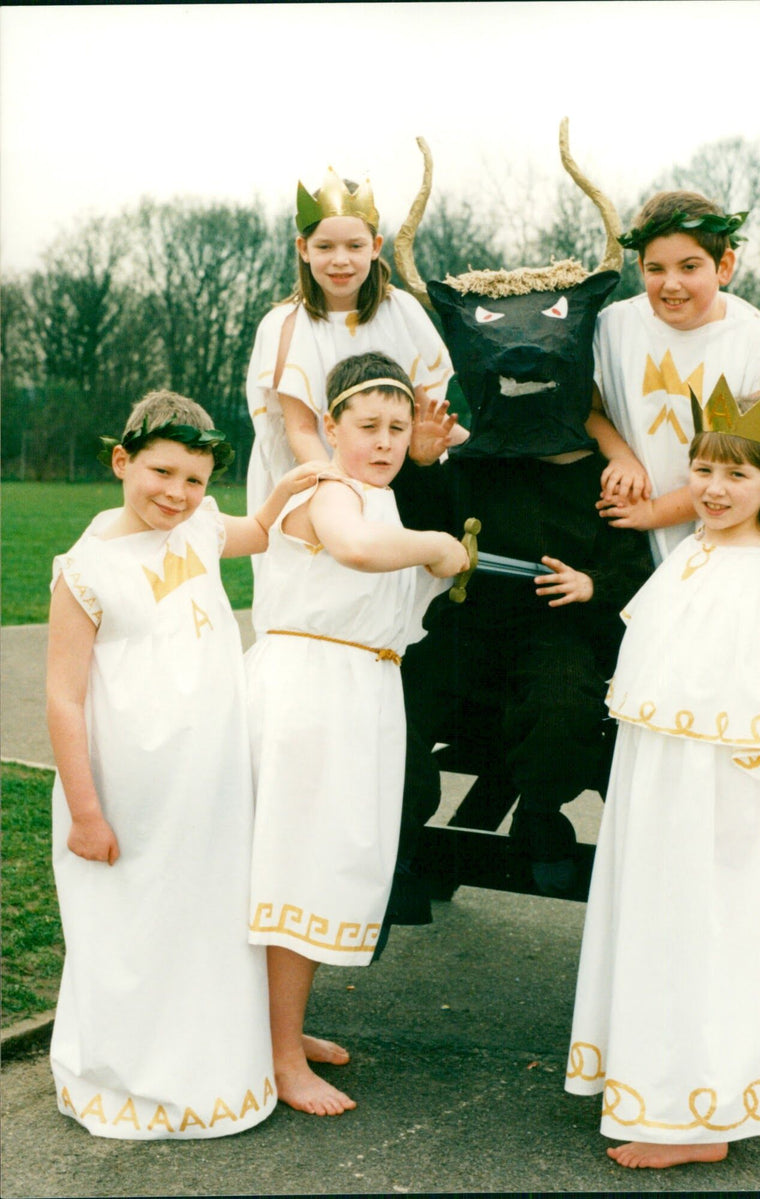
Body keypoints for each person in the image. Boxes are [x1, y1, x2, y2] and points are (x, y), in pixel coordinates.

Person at [46, 389, 329, 1140]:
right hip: (124, 791)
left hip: (207, 781)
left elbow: (260, 534)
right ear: (121, 461)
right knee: (132, 928)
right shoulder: (84, 568)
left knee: (204, 921)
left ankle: (216, 1066)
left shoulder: (201, 525)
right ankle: (131, 1077)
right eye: (161, 472)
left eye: (194, 480)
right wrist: (85, 812)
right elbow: (64, 700)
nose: (175, 493)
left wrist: (290, 491)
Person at [565, 376, 760, 1168]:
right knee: (657, 917)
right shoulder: (690, 553)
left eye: (737, 474)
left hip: (722, 781)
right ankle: (650, 1078)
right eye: (703, 469)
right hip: (658, 773)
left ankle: (703, 1116)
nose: (715, 487)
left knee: (707, 923)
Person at [245, 352, 469, 1117]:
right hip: (310, 691)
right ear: (331, 427)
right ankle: (279, 1057)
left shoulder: (380, 498)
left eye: (397, 428)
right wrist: (441, 546)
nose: (383, 442)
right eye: (366, 425)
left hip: (359, 689)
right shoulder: (330, 491)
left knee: (318, 859)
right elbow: (357, 553)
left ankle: (282, 1028)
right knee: (293, 865)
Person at [245, 164, 466, 637]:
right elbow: (300, 428)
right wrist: (343, 491)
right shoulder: (285, 326)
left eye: (354, 246)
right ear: (303, 250)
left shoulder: (400, 311)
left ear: (376, 247)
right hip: (318, 483)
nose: (339, 260)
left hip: (396, 475)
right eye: (324, 247)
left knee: (395, 613)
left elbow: (427, 412)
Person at [592, 190, 760, 564]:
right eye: (656, 269)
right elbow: (586, 408)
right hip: (624, 541)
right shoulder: (611, 326)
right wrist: (620, 457)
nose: (672, 284)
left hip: (722, 542)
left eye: (689, 267)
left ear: (724, 266)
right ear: (640, 268)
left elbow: (752, 468)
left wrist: (655, 513)